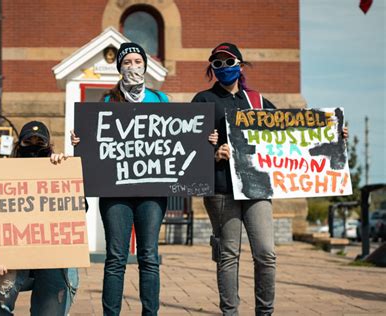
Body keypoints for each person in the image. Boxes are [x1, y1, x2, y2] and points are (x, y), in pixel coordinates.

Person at [192, 42, 348, 316]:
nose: (223, 68)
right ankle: (230, 312)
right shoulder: (203, 100)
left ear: (240, 66)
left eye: (229, 62)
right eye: (217, 63)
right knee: (228, 255)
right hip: (221, 189)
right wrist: (214, 152)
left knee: (266, 253)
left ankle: (265, 312)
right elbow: (189, 146)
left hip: (256, 186)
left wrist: (332, 134)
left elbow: (292, 131)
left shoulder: (257, 101)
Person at [71, 42, 168, 316]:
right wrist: (81, 140)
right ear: (119, 68)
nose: (133, 67)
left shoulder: (161, 101)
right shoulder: (106, 102)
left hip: (152, 191)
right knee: (116, 258)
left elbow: (180, 139)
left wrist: (203, 140)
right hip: (116, 193)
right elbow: (94, 142)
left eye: (138, 62)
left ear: (145, 66)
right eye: (127, 62)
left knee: (149, 256)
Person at [0, 121, 79, 316]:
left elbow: (80, 207)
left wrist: (63, 170)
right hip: (17, 255)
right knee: (1, 290)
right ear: (18, 145)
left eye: (39, 142)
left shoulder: (59, 168)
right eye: (28, 141)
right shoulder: (5, 176)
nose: (34, 146)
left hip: (53, 258)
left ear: (48, 147)